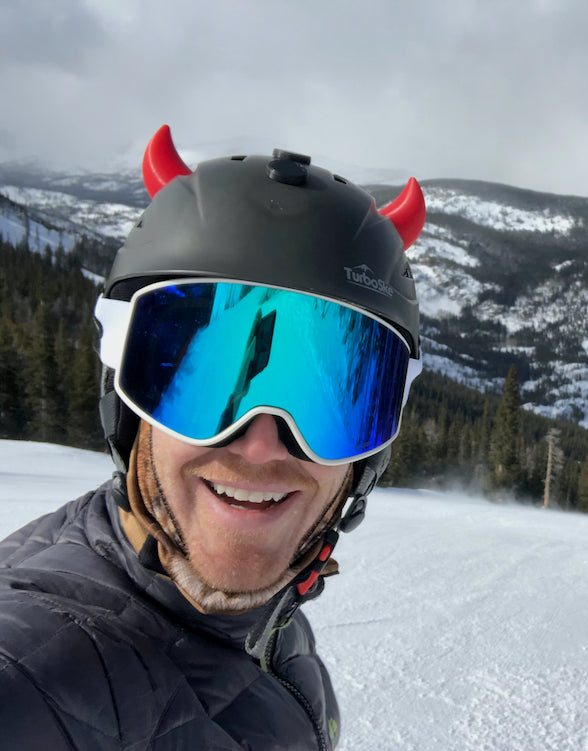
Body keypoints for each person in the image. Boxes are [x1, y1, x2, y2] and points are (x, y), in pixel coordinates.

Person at [0, 125, 425, 749]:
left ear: (369, 457)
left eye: (332, 404)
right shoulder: (36, 669)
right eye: (205, 387)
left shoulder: (269, 620)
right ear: (128, 404)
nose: (261, 445)